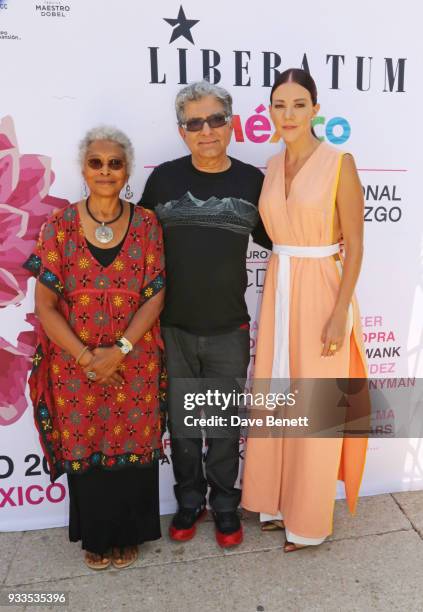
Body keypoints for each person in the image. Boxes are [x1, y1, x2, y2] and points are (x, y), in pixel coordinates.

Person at [24, 126, 165, 569]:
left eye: (115, 163)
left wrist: (119, 350)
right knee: (87, 443)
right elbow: (45, 306)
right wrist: (88, 357)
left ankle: (128, 535)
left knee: (132, 443)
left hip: (134, 359)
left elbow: (156, 294)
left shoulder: (146, 224)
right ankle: (97, 537)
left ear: (128, 170)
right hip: (74, 364)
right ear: (83, 169)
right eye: (96, 162)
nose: (105, 171)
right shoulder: (59, 226)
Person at [241, 69, 368, 551]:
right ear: (270, 112)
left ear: (315, 110)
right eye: (279, 104)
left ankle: (309, 522)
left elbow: (354, 245)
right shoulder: (271, 167)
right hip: (279, 287)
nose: (288, 114)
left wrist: (340, 313)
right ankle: (275, 503)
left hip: (322, 289)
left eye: (298, 104)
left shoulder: (341, 162)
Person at [140, 80, 271, 547]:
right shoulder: (165, 180)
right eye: (194, 123)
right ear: (182, 132)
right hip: (171, 327)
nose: (207, 130)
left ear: (231, 123)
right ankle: (189, 500)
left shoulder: (253, 182)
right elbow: (138, 247)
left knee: (221, 425)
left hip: (228, 329)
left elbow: (285, 243)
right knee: (182, 426)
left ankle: (224, 504)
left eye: (216, 119)